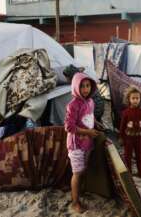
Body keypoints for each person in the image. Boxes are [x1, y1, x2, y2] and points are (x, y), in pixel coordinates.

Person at [64, 72, 100, 213]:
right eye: (82, 86)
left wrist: (96, 123)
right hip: (76, 145)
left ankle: (79, 191)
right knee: (77, 173)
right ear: (76, 87)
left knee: (83, 169)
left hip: (87, 144)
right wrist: (87, 132)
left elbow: (89, 116)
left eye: (88, 86)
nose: (86, 89)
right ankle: (75, 202)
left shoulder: (91, 101)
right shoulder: (73, 105)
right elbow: (69, 127)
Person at [119, 86, 141, 178]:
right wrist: (121, 137)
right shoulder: (126, 113)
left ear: (140, 99)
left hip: (139, 139)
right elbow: (122, 126)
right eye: (133, 98)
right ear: (129, 99)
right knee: (128, 156)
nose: (135, 100)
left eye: (137, 98)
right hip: (128, 139)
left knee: (139, 156)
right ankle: (129, 173)